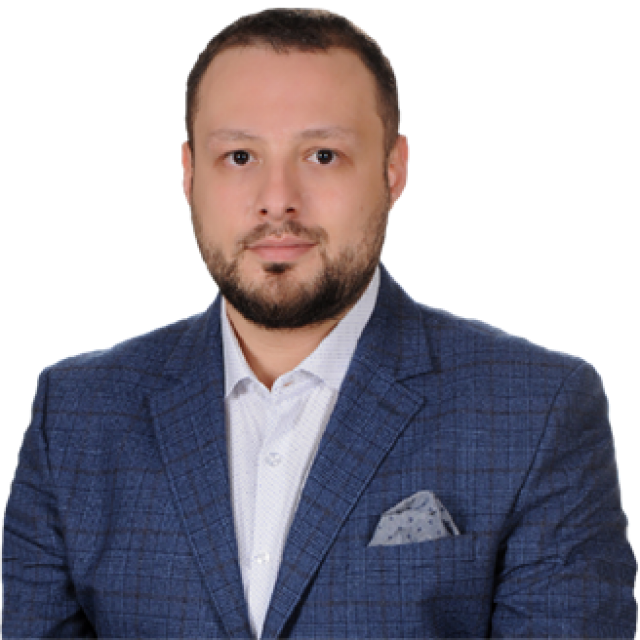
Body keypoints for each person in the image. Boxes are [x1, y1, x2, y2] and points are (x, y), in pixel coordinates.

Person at [1, 7, 637, 639]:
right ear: (189, 174)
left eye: (323, 155)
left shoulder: (537, 409)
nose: (278, 199)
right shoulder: (76, 414)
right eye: (240, 156)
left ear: (393, 169)